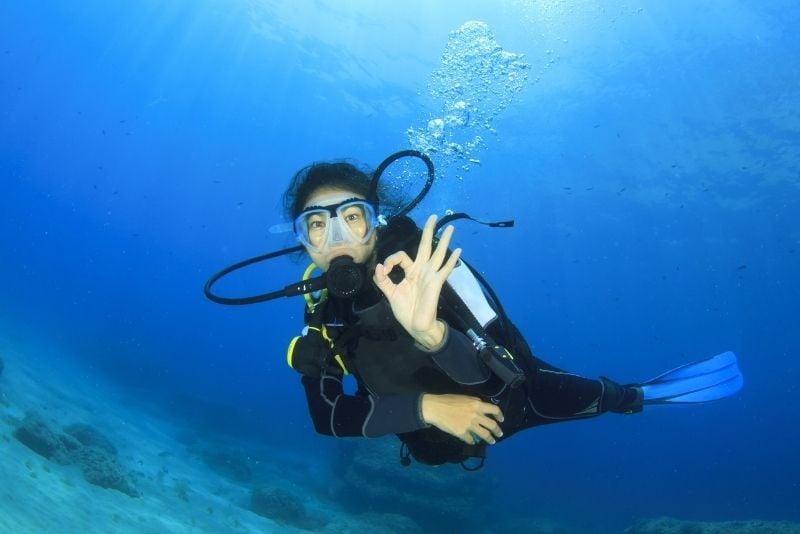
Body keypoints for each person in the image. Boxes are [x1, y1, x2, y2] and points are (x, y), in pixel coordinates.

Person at [205, 150, 743, 469]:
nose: (337, 238)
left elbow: (515, 375)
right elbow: (326, 418)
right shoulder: (323, 308)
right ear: (302, 241)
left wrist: (435, 336)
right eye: (316, 225)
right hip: (427, 443)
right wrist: (429, 409)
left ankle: (639, 395)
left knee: (594, 395)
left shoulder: (432, 265)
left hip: (514, 407)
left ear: (377, 219)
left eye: (352, 216)